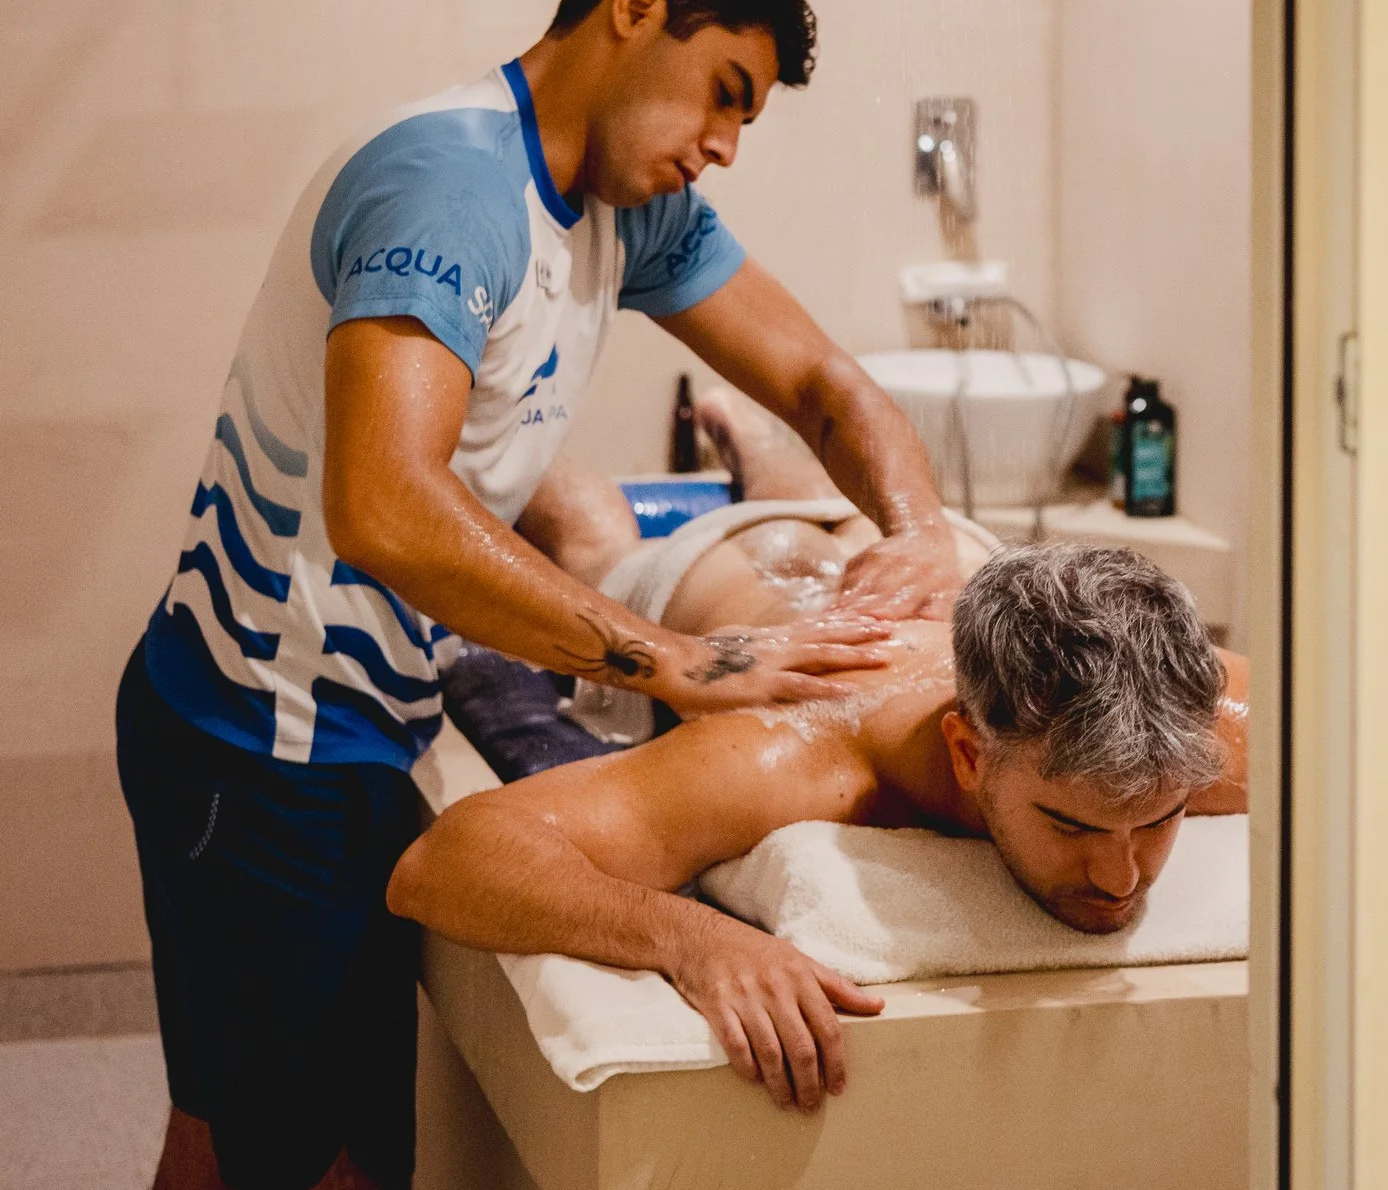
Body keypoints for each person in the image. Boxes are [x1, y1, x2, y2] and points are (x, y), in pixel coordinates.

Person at [116, 0, 958, 1190]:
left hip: (303, 719)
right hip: (269, 744)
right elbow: (386, 506)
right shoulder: (450, 189)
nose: (724, 145)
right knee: (329, 1183)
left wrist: (920, 533)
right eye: (723, 91)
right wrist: (679, 659)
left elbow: (820, 382)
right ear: (635, 10)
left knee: (228, 1135)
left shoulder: (634, 210)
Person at [389, 394, 1249, 1116]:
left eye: (1159, 820)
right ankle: (507, 425)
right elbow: (443, 862)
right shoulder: (795, 749)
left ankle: (751, 436)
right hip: (717, 577)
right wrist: (694, 940)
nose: (1121, 878)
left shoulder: (1200, 717)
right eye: (1071, 826)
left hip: (928, 555)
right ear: (968, 753)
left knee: (813, 492)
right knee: (595, 534)